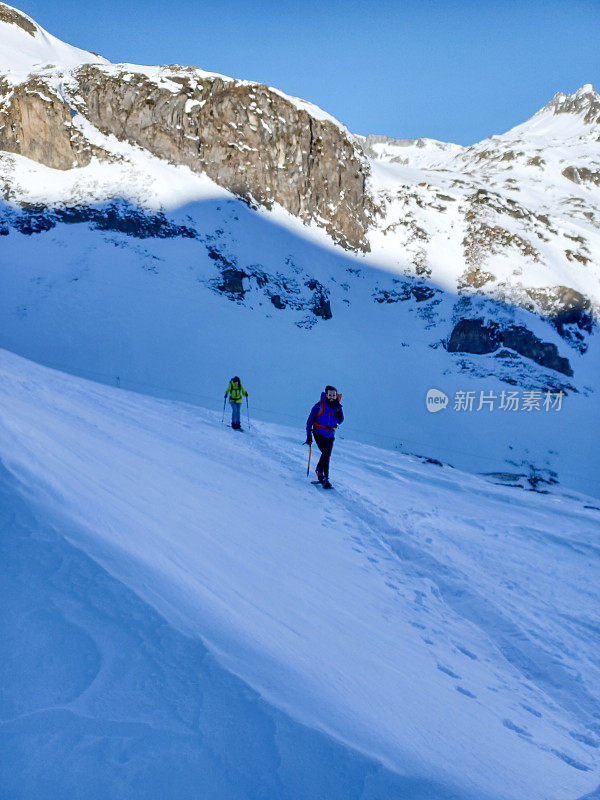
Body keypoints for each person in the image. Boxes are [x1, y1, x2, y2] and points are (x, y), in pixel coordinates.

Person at [305, 385, 344, 488]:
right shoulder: (318, 406)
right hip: (318, 433)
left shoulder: (338, 407)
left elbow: (340, 421)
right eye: (330, 395)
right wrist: (309, 437)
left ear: (336, 396)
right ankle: (324, 477)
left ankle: (323, 475)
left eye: (333, 395)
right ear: (326, 395)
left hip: (330, 435)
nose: (332, 397)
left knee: (327, 455)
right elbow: (309, 422)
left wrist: (339, 416)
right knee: (326, 453)